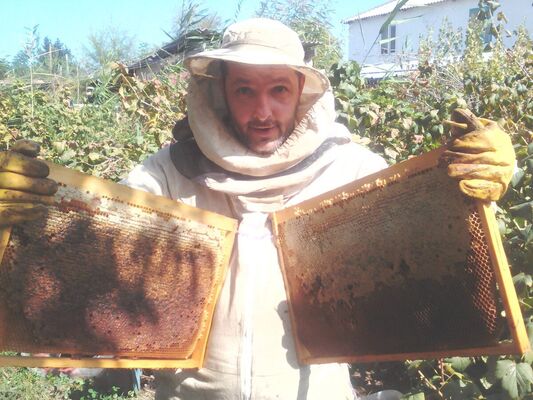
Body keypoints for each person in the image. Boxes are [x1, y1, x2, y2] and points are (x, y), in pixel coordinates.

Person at [0, 18, 515, 400]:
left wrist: (487, 179)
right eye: (244, 90)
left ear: (301, 94)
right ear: (220, 94)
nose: (262, 111)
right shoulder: (167, 173)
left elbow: (424, 219)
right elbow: (98, 250)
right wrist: (20, 219)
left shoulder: (349, 168)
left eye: (278, 90)